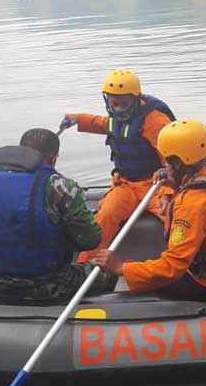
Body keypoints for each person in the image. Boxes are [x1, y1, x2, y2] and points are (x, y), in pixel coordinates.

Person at [90, 119, 206, 302]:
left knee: (145, 286)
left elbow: (173, 267)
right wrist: (173, 182)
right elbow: (198, 184)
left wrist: (121, 268)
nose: (165, 166)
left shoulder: (192, 204)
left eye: (168, 162)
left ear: (178, 163)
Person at [0, 129, 116, 302]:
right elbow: (90, 240)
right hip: (48, 282)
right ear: (54, 158)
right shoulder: (61, 186)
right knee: (108, 271)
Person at [60, 69, 175, 262]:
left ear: (135, 98)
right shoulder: (115, 115)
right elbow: (104, 124)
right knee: (106, 215)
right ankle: (85, 265)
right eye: (114, 104)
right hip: (126, 184)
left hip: (157, 185)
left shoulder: (155, 120)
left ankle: (181, 263)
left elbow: (172, 158)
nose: (118, 109)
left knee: (173, 218)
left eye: (123, 104)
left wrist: (168, 191)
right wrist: (78, 119)